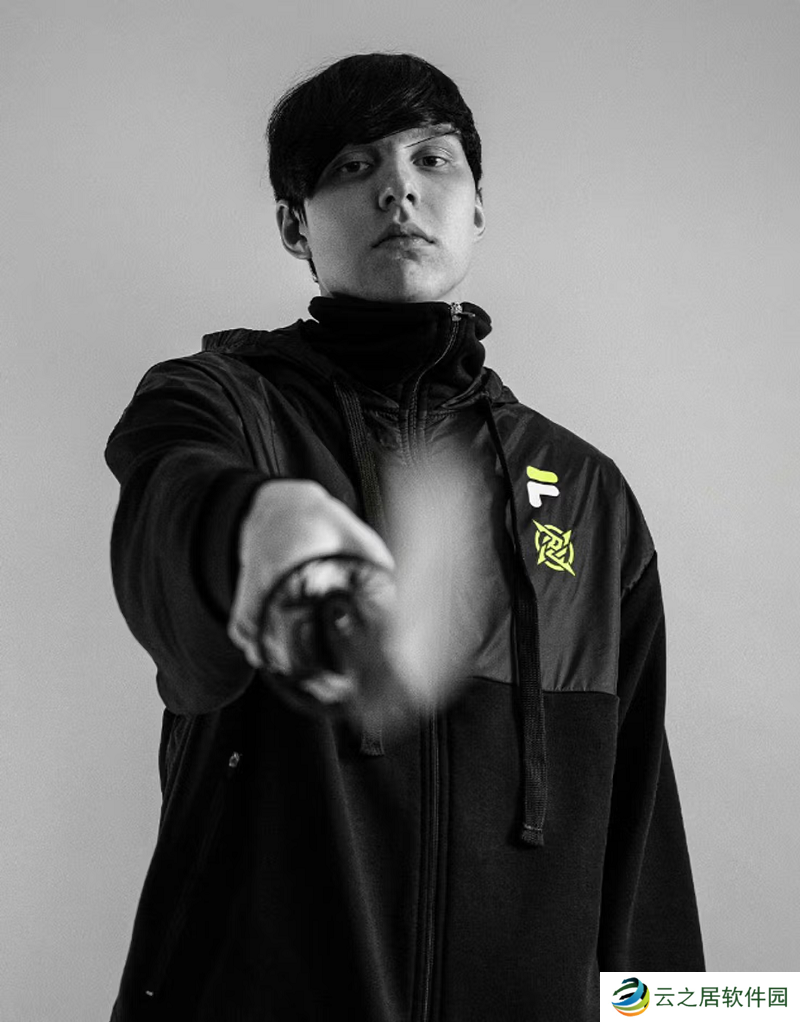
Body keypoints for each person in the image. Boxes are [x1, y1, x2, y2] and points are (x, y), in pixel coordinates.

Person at [105, 52, 704, 1022]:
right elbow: (167, 512)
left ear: (477, 207)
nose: (397, 189)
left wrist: (681, 1010)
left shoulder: (584, 491)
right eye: (352, 165)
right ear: (294, 225)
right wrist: (253, 526)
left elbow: (642, 850)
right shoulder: (222, 408)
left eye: (433, 159)